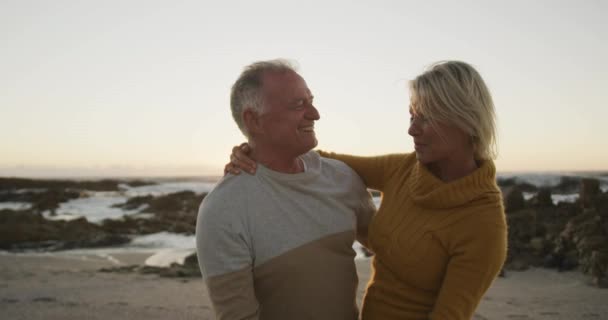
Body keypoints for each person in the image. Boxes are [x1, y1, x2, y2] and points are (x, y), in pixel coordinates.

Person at [227, 60, 508, 319]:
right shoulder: (403, 169)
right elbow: (320, 161)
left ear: (466, 120)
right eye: (412, 116)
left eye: (426, 118)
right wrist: (253, 152)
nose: (412, 130)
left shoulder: (484, 223)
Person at [196, 59, 376, 320]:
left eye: (311, 100)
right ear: (253, 120)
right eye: (298, 105)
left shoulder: (342, 177)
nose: (315, 114)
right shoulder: (223, 209)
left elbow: (394, 250)